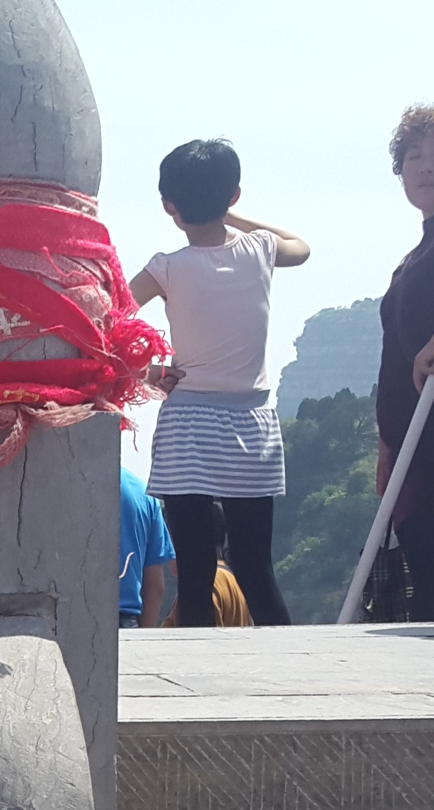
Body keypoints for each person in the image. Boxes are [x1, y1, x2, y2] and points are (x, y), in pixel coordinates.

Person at [131, 138, 308, 628]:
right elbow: (301, 247)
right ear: (233, 195)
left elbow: (106, 320)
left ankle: (197, 668)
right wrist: (234, 215)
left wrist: (148, 373)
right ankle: (291, 661)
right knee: (255, 569)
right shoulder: (261, 248)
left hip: (188, 423)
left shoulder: (166, 267)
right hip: (251, 424)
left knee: (194, 572)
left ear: (168, 205)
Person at [372, 107, 434, 621]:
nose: (425, 166)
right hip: (422, 462)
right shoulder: (417, 254)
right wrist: (387, 446)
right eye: (414, 157)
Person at [120, 457, 173, 627]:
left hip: (68, 619)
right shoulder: (145, 495)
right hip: (126, 622)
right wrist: (143, 635)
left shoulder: (61, 487)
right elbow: (155, 587)